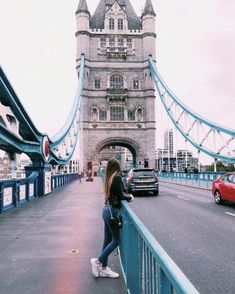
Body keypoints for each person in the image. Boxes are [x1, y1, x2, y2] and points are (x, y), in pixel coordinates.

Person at [90, 159, 134, 278]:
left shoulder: (109, 178)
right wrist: (129, 197)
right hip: (112, 213)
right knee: (116, 240)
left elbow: (115, 194)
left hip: (106, 210)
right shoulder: (117, 178)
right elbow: (120, 196)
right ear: (117, 167)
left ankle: (104, 268)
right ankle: (97, 262)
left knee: (107, 240)